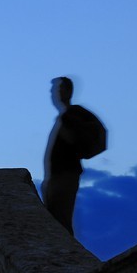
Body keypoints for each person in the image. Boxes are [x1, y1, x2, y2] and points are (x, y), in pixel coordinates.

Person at [42, 76, 103, 235]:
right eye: (54, 91)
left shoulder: (72, 114)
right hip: (58, 177)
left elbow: (73, 140)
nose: (55, 94)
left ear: (69, 91)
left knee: (60, 222)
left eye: (59, 89)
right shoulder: (66, 116)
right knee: (56, 220)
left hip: (65, 176)